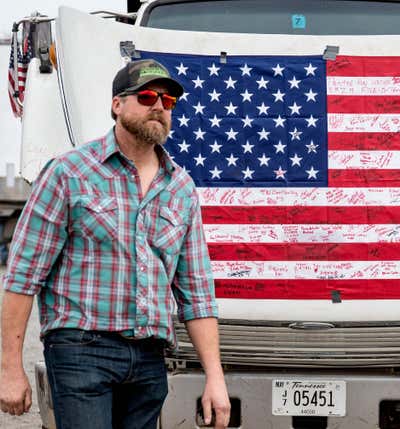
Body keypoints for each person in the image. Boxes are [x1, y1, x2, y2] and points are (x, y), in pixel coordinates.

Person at [0, 59, 230, 429]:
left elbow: (197, 294)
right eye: (147, 96)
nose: (159, 106)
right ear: (116, 105)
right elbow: (23, 277)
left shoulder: (181, 187)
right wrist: (10, 369)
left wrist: (215, 378)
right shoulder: (69, 172)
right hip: (80, 352)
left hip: (150, 361)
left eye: (168, 101)